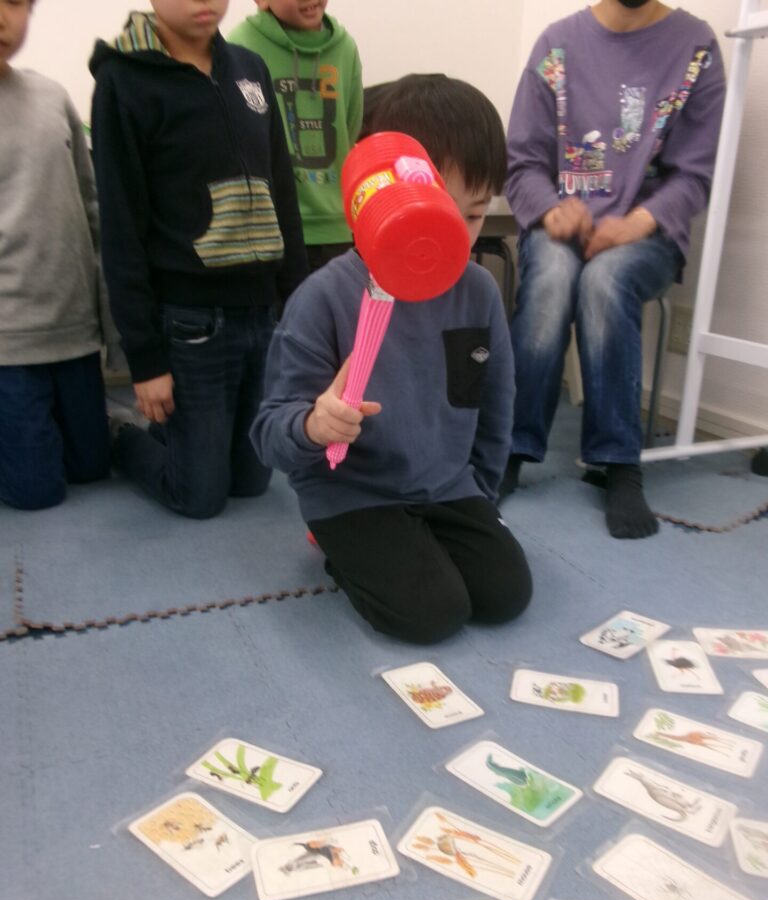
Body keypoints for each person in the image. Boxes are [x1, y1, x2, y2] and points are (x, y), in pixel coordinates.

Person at [252, 74, 532, 644]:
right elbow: (269, 435)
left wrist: (481, 494)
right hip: (351, 493)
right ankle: (337, 548)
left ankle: (415, 542)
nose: (454, 237)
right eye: (437, 211)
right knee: (432, 615)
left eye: (474, 215)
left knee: (506, 594)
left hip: (446, 486)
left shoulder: (478, 291)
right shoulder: (324, 298)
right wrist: (314, 424)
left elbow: (495, 404)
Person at [502, 0, 725, 539]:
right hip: (561, 227)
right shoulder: (555, 45)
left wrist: (639, 221)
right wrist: (551, 211)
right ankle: (508, 449)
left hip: (648, 237)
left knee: (605, 280)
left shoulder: (697, 47)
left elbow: (695, 175)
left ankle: (619, 463)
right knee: (552, 279)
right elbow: (523, 164)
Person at [89, 0, 307, 519]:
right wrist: (146, 361)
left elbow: (283, 192)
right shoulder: (123, 81)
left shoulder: (250, 69)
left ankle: (181, 435)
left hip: (261, 316)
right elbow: (121, 229)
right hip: (192, 324)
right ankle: (122, 436)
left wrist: (297, 307)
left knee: (252, 483)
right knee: (199, 497)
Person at [0, 0, 110, 511]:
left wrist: (107, 319)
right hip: (8, 345)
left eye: (14, 2)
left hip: (73, 331)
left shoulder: (51, 96)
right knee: (37, 492)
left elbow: (92, 206)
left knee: (92, 469)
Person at [229, 0, 363, 274]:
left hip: (334, 227)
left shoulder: (345, 48)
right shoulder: (241, 45)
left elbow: (350, 127)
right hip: (269, 225)